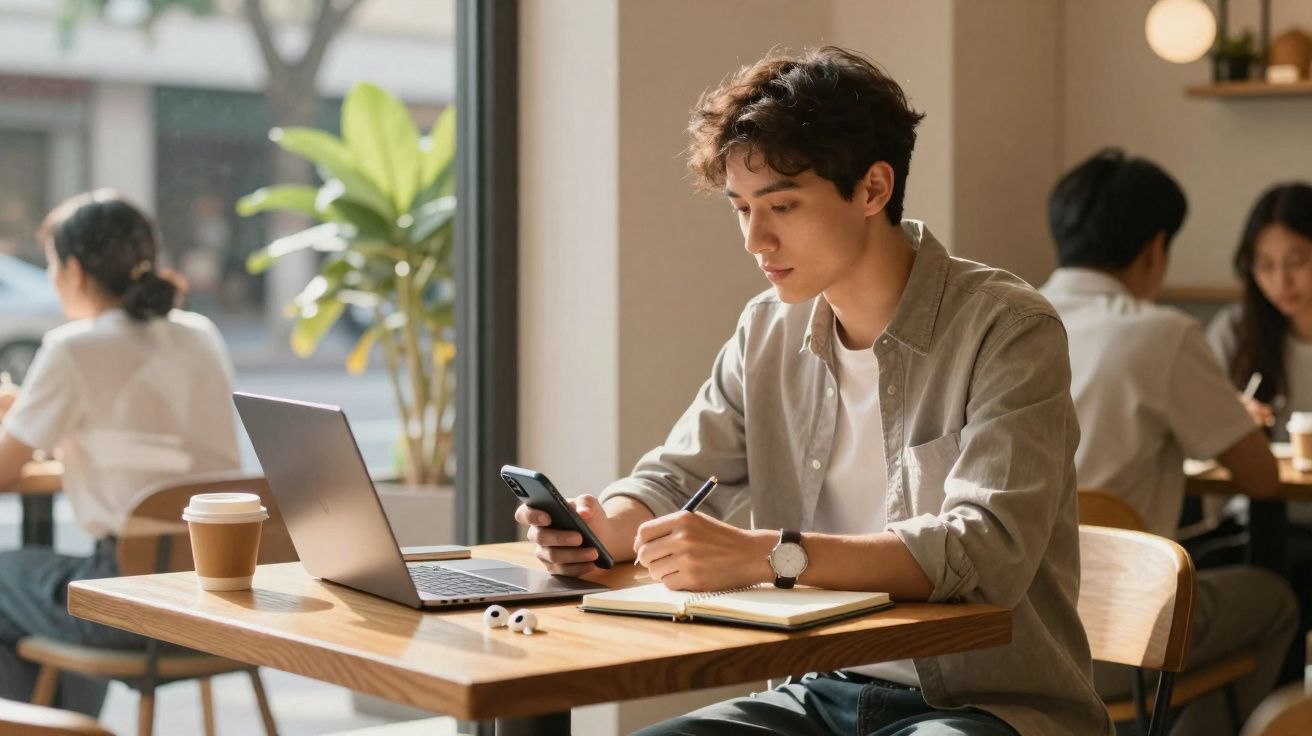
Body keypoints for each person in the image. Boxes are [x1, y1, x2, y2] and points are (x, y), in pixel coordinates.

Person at [519, 46, 1112, 735]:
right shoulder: (767, 330)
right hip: (816, 694)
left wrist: (767, 555)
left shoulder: (1007, 328)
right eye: (740, 208)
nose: (754, 238)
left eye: (783, 205)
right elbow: (676, 476)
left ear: (873, 189)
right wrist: (601, 527)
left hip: (985, 706)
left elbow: (987, 550)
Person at [1038, 150, 1297, 735]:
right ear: (1155, 248)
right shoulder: (1160, 334)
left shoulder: (1004, 313)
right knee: (1276, 599)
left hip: (1003, 629)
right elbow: (1260, 479)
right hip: (1115, 642)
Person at [0, 190, 240, 715]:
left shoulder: (73, 347)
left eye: (51, 265)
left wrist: (10, 419)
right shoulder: (201, 335)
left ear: (76, 272)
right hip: (219, 603)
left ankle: (46, 728)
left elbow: (3, 470)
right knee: (63, 588)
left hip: (132, 607)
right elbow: (162, 453)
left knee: (9, 581)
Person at [1206, 183, 1312, 439]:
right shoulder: (1235, 329)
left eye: (1296, 262)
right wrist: (1229, 419)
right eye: (1265, 265)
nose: (1281, 281)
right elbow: (1197, 420)